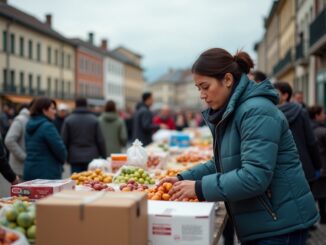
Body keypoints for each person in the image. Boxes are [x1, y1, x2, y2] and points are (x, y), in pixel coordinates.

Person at [160, 48, 318, 244]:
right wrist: (183, 177)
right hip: (265, 223)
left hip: (278, 226)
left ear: (227, 80)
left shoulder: (256, 111)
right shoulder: (235, 111)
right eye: (198, 88)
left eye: (205, 86)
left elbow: (254, 176)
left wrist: (199, 189)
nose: (201, 94)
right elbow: (224, 162)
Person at [274, 81, 321, 184]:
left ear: (285, 95)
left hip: (281, 171)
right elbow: (311, 142)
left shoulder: (271, 115)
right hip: (304, 167)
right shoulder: (301, 112)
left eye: (275, 92)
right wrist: (317, 166)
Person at [24, 97, 67, 180]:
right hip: (47, 172)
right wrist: (63, 159)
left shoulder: (29, 123)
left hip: (30, 170)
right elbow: (60, 150)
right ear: (44, 110)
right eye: (53, 109)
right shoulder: (47, 126)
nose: (55, 112)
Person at [61, 98, 106, 174]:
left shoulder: (68, 120)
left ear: (76, 105)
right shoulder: (94, 119)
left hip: (74, 156)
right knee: (91, 181)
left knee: (77, 181)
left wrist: (64, 157)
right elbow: (100, 140)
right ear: (86, 105)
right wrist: (104, 156)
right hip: (92, 156)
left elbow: (64, 140)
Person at [5, 101, 34, 178]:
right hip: (19, 168)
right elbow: (9, 140)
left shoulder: (29, 119)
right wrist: (24, 157)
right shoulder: (21, 120)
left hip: (25, 167)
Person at [308, 105, 326, 224]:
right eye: (322, 113)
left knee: (315, 193)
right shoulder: (322, 131)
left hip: (312, 167)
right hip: (323, 167)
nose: (324, 115)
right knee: (323, 194)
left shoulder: (308, 129)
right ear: (317, 115)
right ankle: (323, 218)